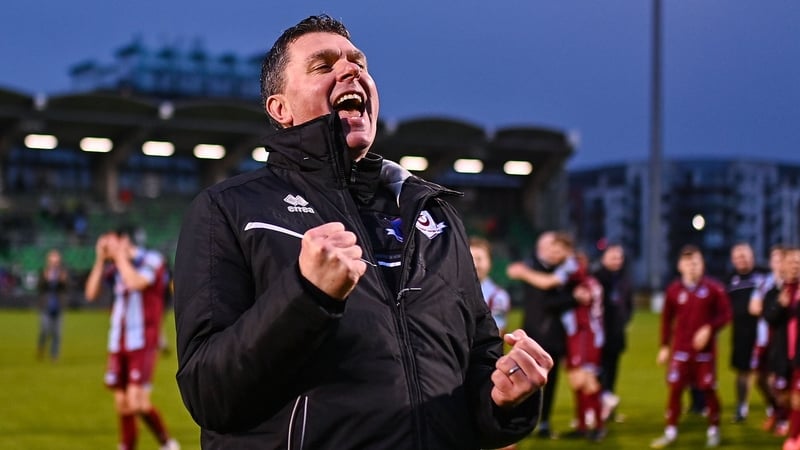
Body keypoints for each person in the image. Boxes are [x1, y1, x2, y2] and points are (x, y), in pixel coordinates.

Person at [173, 15, 552, 449]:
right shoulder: (231, 209)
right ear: (280, 109)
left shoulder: (434, 214)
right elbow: (210, 394)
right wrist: (306, 296)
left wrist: (504, 399)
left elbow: (476, 363)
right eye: (323, 65)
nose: (351, 70)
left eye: (359, 62)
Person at [85, 226, 179, 450]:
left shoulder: (152, 259)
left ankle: (167, 443)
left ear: (124, 240)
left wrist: (119, 257)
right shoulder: (115, 266)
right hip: (118, 340)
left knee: (137, 402)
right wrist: (100, 260)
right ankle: (127, 446)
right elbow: (91, 294)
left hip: (143, 340)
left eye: (111, 241)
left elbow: (137, 282)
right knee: (122, 404)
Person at [651, 245, 732, 448]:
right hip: (680, 350)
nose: (692, 267)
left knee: (709, 390)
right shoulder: (673, 290)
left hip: (704, 353)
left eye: (695, 263)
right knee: (675, 390)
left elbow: (726, 315)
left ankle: (714, 429)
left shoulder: (714, 288)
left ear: (702, 265)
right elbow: (666, 320)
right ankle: (670, 431)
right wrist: (664, 346)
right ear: (680, 266)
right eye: (687, 263)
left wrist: (709, 329)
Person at [507, 230, 581, 439]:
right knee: (524, 380)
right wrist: (573, 298)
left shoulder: (564, 269)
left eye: (557, 247)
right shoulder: (534, 267)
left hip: (555, 335)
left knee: (550, 381)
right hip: (533, 333)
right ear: (540, 248)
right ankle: (521, 420)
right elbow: (545, 300)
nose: (553, 251)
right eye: (550, 246)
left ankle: (545, 422)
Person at [725, 242, 769, 422]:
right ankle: (741, 407)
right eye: (737, 257)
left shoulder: (764, 275)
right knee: (742, 372)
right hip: (740, 333)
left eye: (744, 256)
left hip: (763, 332)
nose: (741, 260)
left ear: (752, 256)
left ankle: (773, 406)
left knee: (764, 374)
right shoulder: (730, 279)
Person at [763, 247, 800, 450]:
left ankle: (794, 439)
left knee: (797, 399)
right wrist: (780, 305)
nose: (795, 265)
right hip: (783, 356)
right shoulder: (774, 293)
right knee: (784, 397)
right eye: (792, 261)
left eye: (798, 261)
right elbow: (769, 318)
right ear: (782, 266)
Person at [593, 243, 633, 422]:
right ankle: (594, 410)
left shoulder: (624, 278)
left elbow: (628, 304)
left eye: (619, 257)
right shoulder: (596, 278)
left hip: (616, 335)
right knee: (597, 374)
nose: (617, 261)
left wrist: (624, 320)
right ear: (604, 258)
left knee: (612, 373)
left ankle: (609, 411)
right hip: (599, 335)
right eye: (613, 257)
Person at [470, 236, 512, 335]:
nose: (475, 265)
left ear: (490, 263)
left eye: (479, 259)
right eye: (470, 259)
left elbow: (497, 332)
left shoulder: (498, 296)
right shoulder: (448, 291)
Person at [36, 248, 69, 361]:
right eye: (52, 259)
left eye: (56, 259)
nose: (55, 262)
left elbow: (67, 288)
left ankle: (54, 355)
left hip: (58, 305)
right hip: (46, 305)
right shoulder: (44, 272)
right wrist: (46, 279)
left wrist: (62, 281)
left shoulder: (62, 273)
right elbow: (39, 287)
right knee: (45, 330)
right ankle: (41, 346)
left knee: (57, 333)